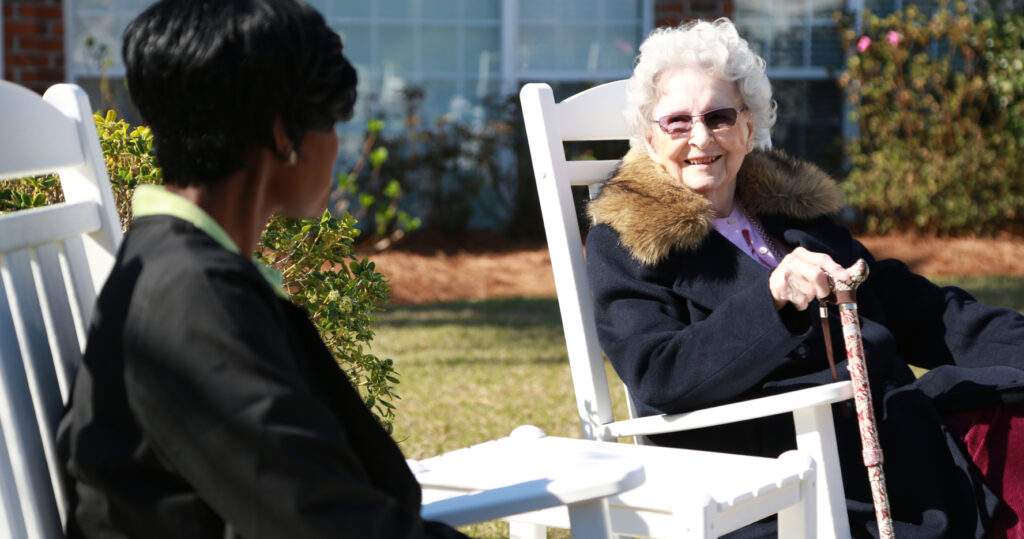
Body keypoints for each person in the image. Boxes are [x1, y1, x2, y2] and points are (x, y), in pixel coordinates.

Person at [586, 18, 1024, 538]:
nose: (700, 138)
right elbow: (659, 373)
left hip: (889, 441)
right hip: (778, 468)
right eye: (677, 122)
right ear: (649, 137)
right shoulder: (628, 243)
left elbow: (915, 309)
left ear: (749, 127)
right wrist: (772, 301)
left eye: (719, 116)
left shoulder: (791, 217)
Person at [56, 1, 467, 537]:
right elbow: (321, 520)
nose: (339, 147)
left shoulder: (176, 269)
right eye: (334, 121)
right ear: (283, 134)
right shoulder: (190, 299)